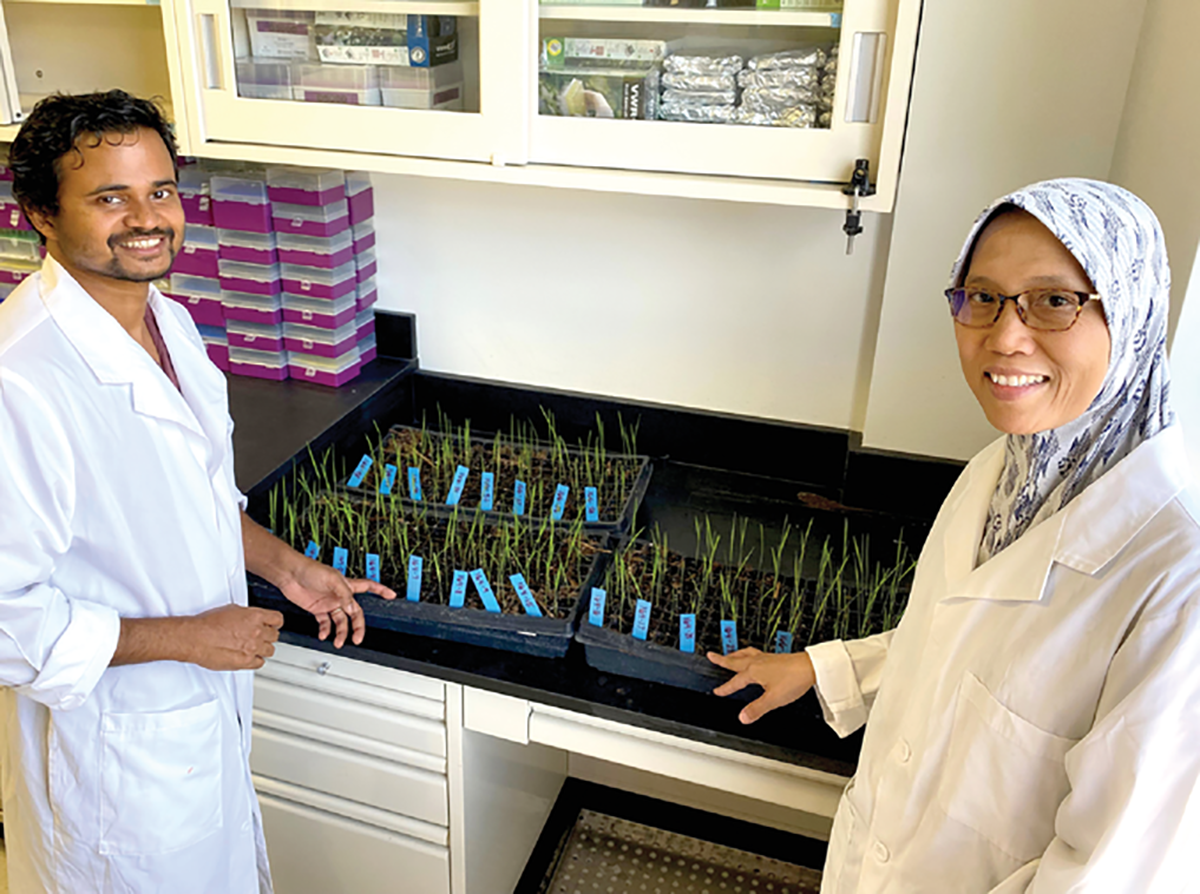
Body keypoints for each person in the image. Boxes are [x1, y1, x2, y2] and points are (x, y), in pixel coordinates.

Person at [709, 178, 1200, 892]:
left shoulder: (1177, 580)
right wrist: (826, 670)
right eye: (983, 297)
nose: (1004, 335)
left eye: (1055, 301)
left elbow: (1109, 875)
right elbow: (956, 653)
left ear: (1132, 312)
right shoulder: (998, 473)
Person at [0, 91, 396, 893]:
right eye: (110, 197)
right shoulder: (23, 380)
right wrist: (188, 639)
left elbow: (193, 493)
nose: (147, 218)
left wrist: (286, 567)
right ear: (41, 213)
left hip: (181, 734)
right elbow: (7, 621)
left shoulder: (167, 322)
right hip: (108, 761)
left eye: (161, 190)